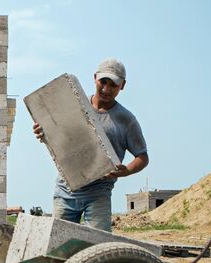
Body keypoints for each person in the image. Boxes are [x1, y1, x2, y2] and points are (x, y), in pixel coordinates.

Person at [32, 58, 149, 232]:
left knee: (98, 246)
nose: (106, 89)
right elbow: (59, 137)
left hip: (98, 193)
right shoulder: (73, 106)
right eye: (103, 82)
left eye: (113, 85)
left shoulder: (126, 120)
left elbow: (142, 157)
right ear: (95, 78)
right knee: (58, 246)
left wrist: (127, 171)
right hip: (66, 190)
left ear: (122, 86)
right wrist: (44, 133)